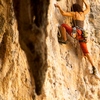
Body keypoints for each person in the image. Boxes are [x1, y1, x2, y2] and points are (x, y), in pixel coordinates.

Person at [54, 0, 97, 75]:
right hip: (82, 35)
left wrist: (59, 7)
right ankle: (93, 66)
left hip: (76, 33)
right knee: (86, 52)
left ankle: (64, 40)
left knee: (63, 26)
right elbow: (88, 7)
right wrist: (84, 1)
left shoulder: (74, 13)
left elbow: (63, 13)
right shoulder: (83, 13)